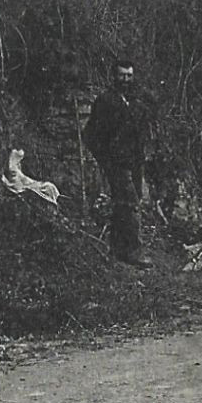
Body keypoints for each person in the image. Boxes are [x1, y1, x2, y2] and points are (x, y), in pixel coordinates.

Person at [84, 60, 155, 267]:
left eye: (129, 76)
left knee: (126, 204)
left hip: (135, 161)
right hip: (117, 162)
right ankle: (134, 252)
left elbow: (143, 131)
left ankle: (117, 249)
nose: (125, 80)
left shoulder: (135, 102)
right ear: (114, 77)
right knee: (130, 203)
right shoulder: (106, 101)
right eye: (122, 75)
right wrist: (105, 158)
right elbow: (91, 135)